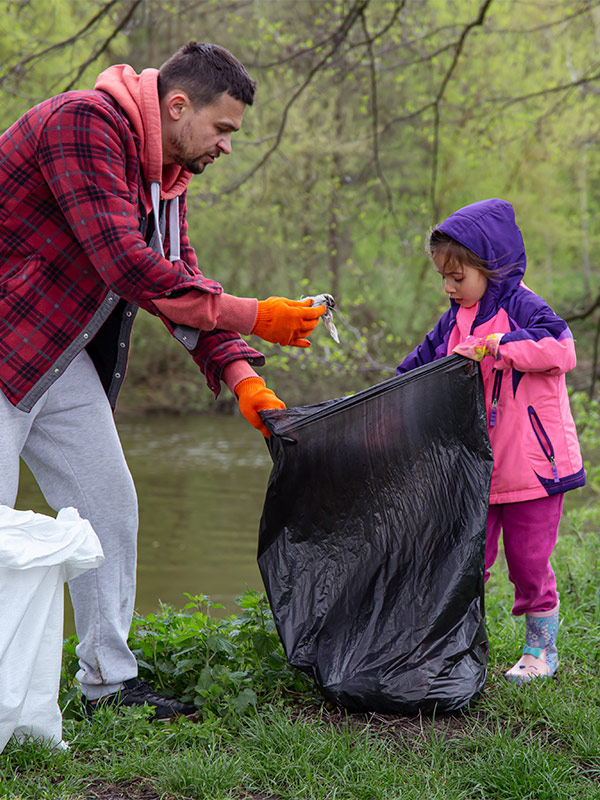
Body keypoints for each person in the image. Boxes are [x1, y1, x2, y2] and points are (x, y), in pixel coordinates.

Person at [0, 41, 326, 720]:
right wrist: (259, 315)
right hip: (5, 347)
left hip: (50, 355)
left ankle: (107, 687)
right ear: (178, 106)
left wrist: (243, 379)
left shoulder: (164, 179)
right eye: (223, 129)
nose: (227, 146)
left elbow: (183, 281)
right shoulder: (82, 124)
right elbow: (129, 266)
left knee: (108, 507)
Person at [396, 198, 585, 684]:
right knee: (466, 561)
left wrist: (500, 346)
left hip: (533, 468)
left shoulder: (523, 304)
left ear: (490, 266)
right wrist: (386, 400)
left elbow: (561, 350)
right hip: (475, 469)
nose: (449, 287)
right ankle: (462, 645)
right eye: (444, 277)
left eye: (457, 277)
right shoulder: (454, 319)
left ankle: (540, 651)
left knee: (528, 563)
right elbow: (416, 368)